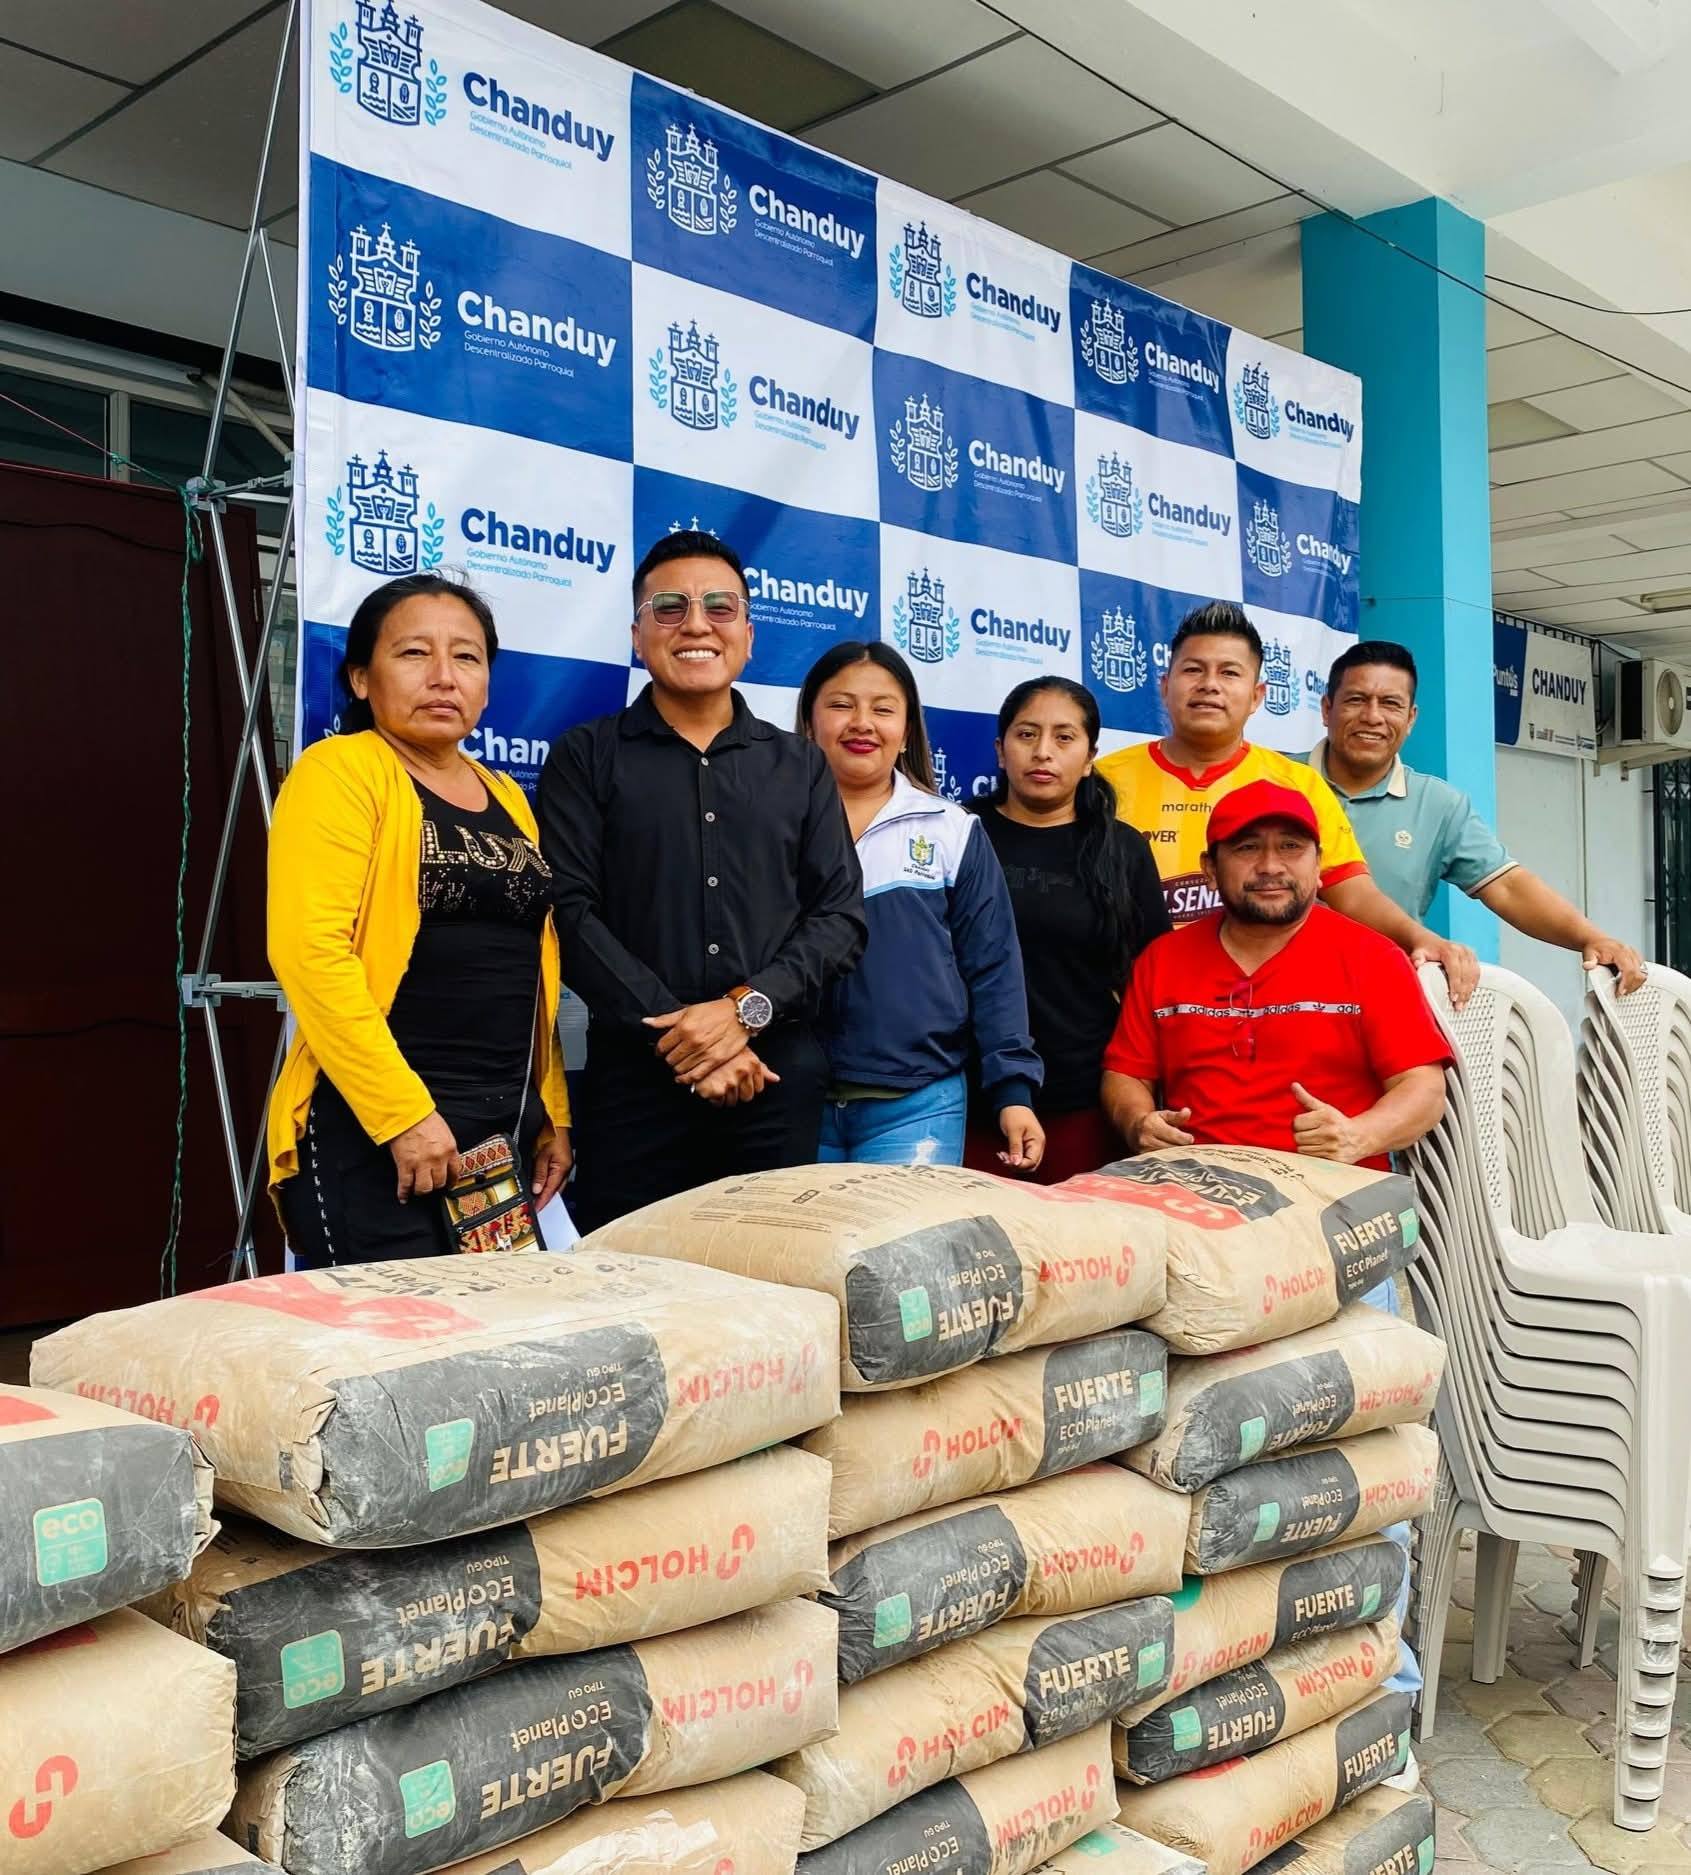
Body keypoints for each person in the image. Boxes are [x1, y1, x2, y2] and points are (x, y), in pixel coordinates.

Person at [1099, 778, 1452, 1707]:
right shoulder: (1166, 961)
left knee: (1365, 1471)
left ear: (1315, 862)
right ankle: (1225, 1682)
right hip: (1203, 1250)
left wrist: (1357, 1133)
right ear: (1211, 864)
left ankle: (1385, 1691)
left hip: (1336, 1239)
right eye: (1247, 849)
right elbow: (1124, 1074)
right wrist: (1138, 1122)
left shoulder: (1364, 955)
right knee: (1201, 1470)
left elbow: (1422, 1088)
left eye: (1288, 848)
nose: (1269, 866)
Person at [540, 531, 865, 1230]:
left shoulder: (800, 765)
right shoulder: (585, 756)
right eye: (669, 607)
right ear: (637, 636)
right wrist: (688, 1039)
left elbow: (839, 919)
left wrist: (743, 1012)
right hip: (634, 1085)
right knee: (630, 1282)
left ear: (747, 636)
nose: (695, 624)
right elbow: (568, 911)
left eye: (719, 607)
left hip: (772, 1077)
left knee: (771, 1283)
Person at [266, 573, 573, 1264]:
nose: (443, 676)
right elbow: (310, 953)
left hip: (496, 1135)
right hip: (378, 1129)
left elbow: (533, 972)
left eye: (466, 656)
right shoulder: (338, 772)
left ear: (487, 684)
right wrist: (401, 1114)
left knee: (493, 1328)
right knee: (395, 1329)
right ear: (360, 678)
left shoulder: (506, 794)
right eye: (413, 653)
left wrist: (550, 1111)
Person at [1094, 602, 1479, 1005]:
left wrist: (1419, 937)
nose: (1209, 684)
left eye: (1229, 673)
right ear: (1164, 685)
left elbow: (1352, 893)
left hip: (1265, 1007)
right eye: (1193, 670)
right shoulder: (1102, 782)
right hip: (1131, 1004)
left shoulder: (1299, 784)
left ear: (1257, 695)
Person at [798, 641, 1044, 1169]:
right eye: (841, 705)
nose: (862, 723)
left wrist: (1013, 1091)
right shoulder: (770, 826)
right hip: (790, 1096)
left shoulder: (950, 830)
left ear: (907, 730)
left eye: (883, 709)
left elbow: (994, 968)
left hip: (919, 1102)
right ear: (810, 721)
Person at [1314, 640, 1646, 992]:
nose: (1372, 717)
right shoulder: (1281, 780)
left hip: (1384, 995)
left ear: (1411, 719)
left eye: (1391, 704)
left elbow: (1508, 886)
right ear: (1326, 708)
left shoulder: (1439, 804)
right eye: (1356, 700)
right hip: (1280, 998)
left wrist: (1591, 938)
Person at [963, 677, 1170, 1182]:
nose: (1043, 752)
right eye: (1027, 734)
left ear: (1091, 756)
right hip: (968, 1097)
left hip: (1084, 1099)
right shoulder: (958, 833)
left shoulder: (1123, 850)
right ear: (1000, 749)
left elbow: (1154, 978)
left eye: (1064, 737)